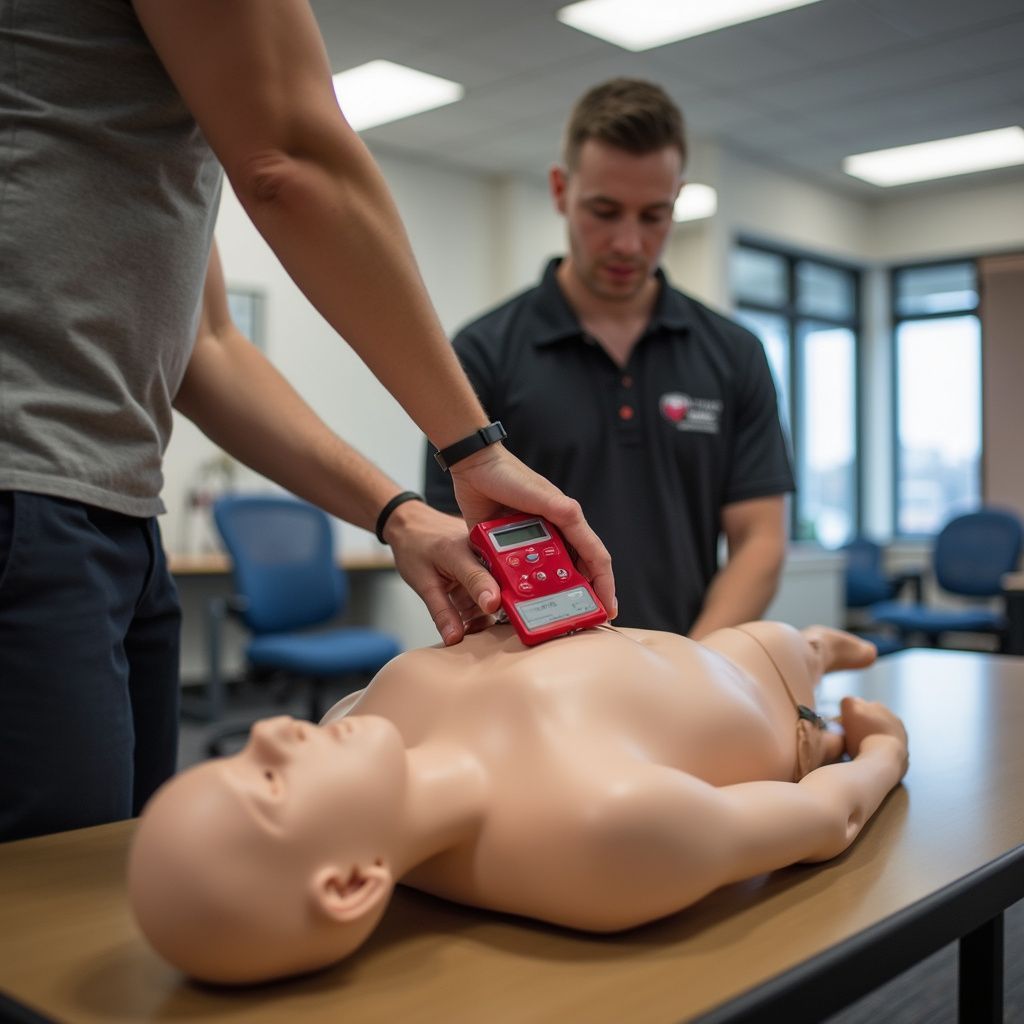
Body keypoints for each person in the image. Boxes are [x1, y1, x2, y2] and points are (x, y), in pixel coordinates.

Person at [0, 1, 614, 843]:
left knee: (107, 874)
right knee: (50, 905)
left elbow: (208, 349)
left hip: (110, 519)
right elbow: (288, 161)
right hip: (28, 494)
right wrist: (473, 448)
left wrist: (400, 513)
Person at [128, 621, 908, 984]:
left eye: (239, 753)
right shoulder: (597, 834)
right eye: (268, 784)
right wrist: (880, 753)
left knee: (791, 640)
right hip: (769, 701)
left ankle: (823, 647)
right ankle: (823, 667)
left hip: (671, 642)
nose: (267, 733)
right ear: (350, 885)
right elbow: (821, 821)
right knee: (791, 646)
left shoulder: (357, 721)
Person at [424, 78, 793, 639]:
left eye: (653, 216)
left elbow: (760, 540)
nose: (628, 242)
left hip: (688, 665)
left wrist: (695, 663)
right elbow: (455, 531)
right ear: (559, 190)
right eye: (604, 210)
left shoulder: (735, 353)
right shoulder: (482, 351)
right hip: (537, 673)